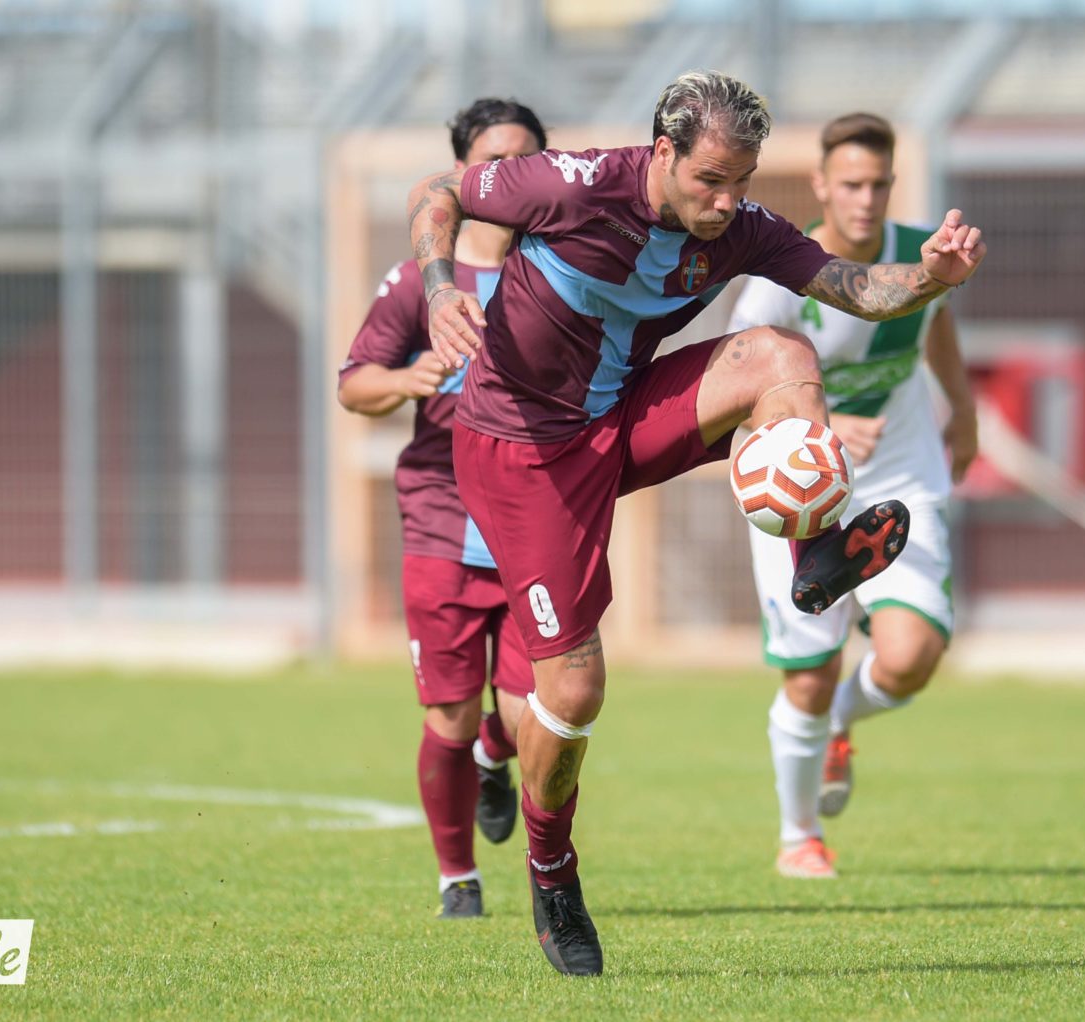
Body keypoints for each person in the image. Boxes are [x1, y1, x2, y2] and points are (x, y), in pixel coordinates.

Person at [406, 69, 986, 975]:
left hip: (618, 419)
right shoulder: (571, 185)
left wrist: (929, 278)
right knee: (574, 693)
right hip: (518, 453)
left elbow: (857, 288)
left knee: (781, 352)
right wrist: (442, 289)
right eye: (710, 180)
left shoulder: (741, 226)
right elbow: (439, 191)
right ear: (664, 152)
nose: (725, 203)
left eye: (740, 182)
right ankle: (552, 869)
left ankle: (816, 549)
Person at [727, 112, 979, 881]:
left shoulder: (921, 257)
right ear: (821, 185)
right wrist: (822, 433)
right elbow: (736, 388)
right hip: (800, 497)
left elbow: (934, 320)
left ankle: (843, 719)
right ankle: (798, 837)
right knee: (809, 672)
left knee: (909, 660)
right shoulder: (779, 279)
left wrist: (963, 411)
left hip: (901, 477)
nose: (866, 199)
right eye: (851, 184)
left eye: (878, 184)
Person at [338, 98, 549, 920]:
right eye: (492, 161)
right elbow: (354, 383)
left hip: (533, 526)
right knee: (451, 718)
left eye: (524, 160)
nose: (506, 176)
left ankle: (501, 749)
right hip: (439, 523)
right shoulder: (420, 280)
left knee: (533, 720)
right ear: (463, 172)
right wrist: (405, 379)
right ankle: (456, 876)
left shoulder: (564, 273)